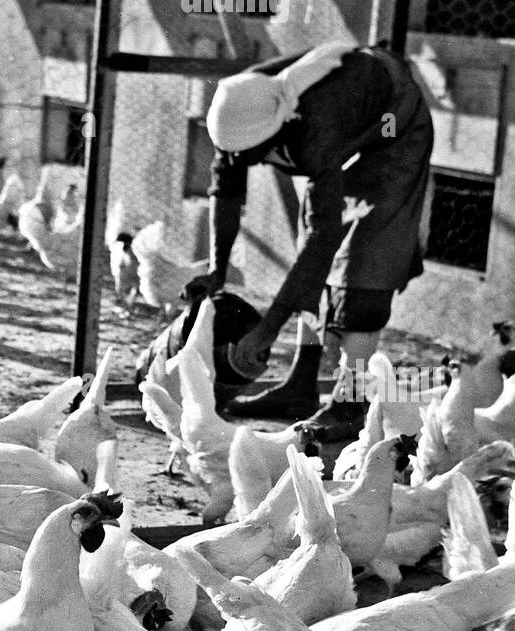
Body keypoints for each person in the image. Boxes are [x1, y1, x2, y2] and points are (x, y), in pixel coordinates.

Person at [184, 41, 434, 441]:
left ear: (276, 133)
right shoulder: (238, 107)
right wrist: (217, 270)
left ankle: (349, 406)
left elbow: (325, 238)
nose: (240, 162)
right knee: (313, 246)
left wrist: (268, 328)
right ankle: (300, 388)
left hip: (395, 121)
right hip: (353, 116)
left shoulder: (318, 126)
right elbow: (226, 188)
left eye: (250, 156)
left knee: (368, 257)